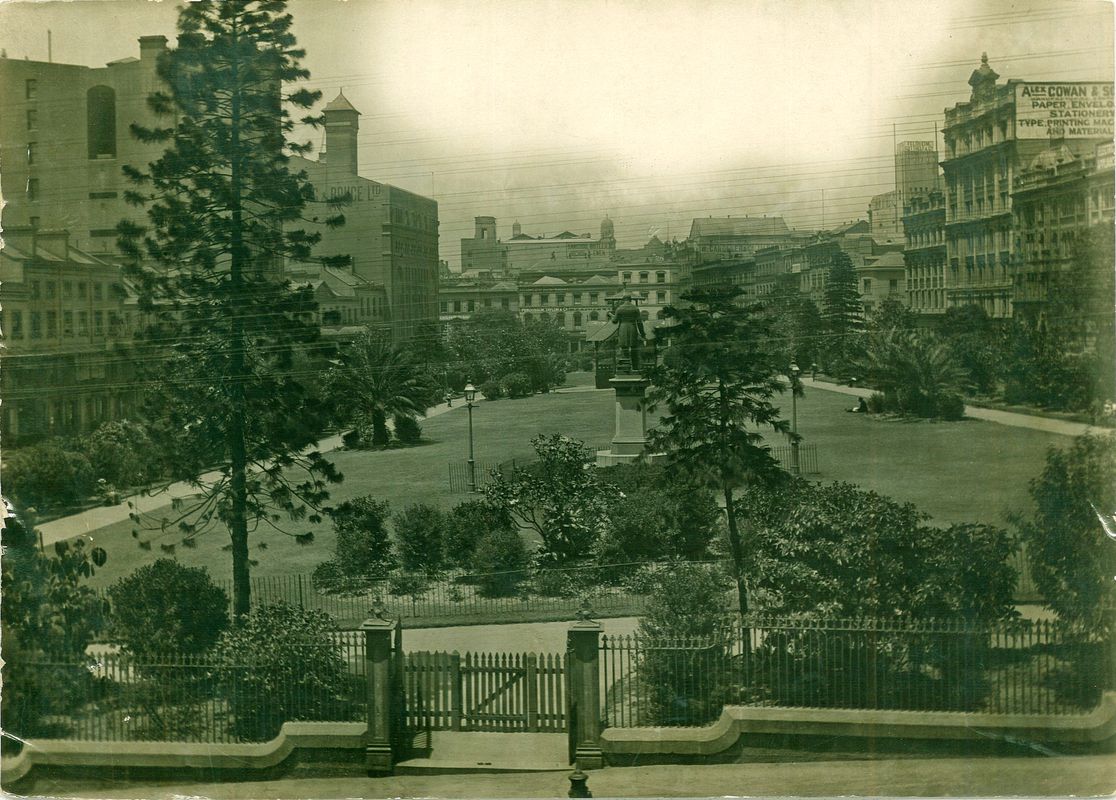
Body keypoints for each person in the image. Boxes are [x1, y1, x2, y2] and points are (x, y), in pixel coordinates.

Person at [610, 292, 646, 372]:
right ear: (631, 300)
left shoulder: (619, 309)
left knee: (624, 348)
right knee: (634, 348)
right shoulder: (635, 309)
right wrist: (642, 333)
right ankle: (635, 368)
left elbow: (615, 321)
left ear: (623, 300)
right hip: (633, 327)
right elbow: (639, 322)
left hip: (623, 328)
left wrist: (612, 316)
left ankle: (625, 368)